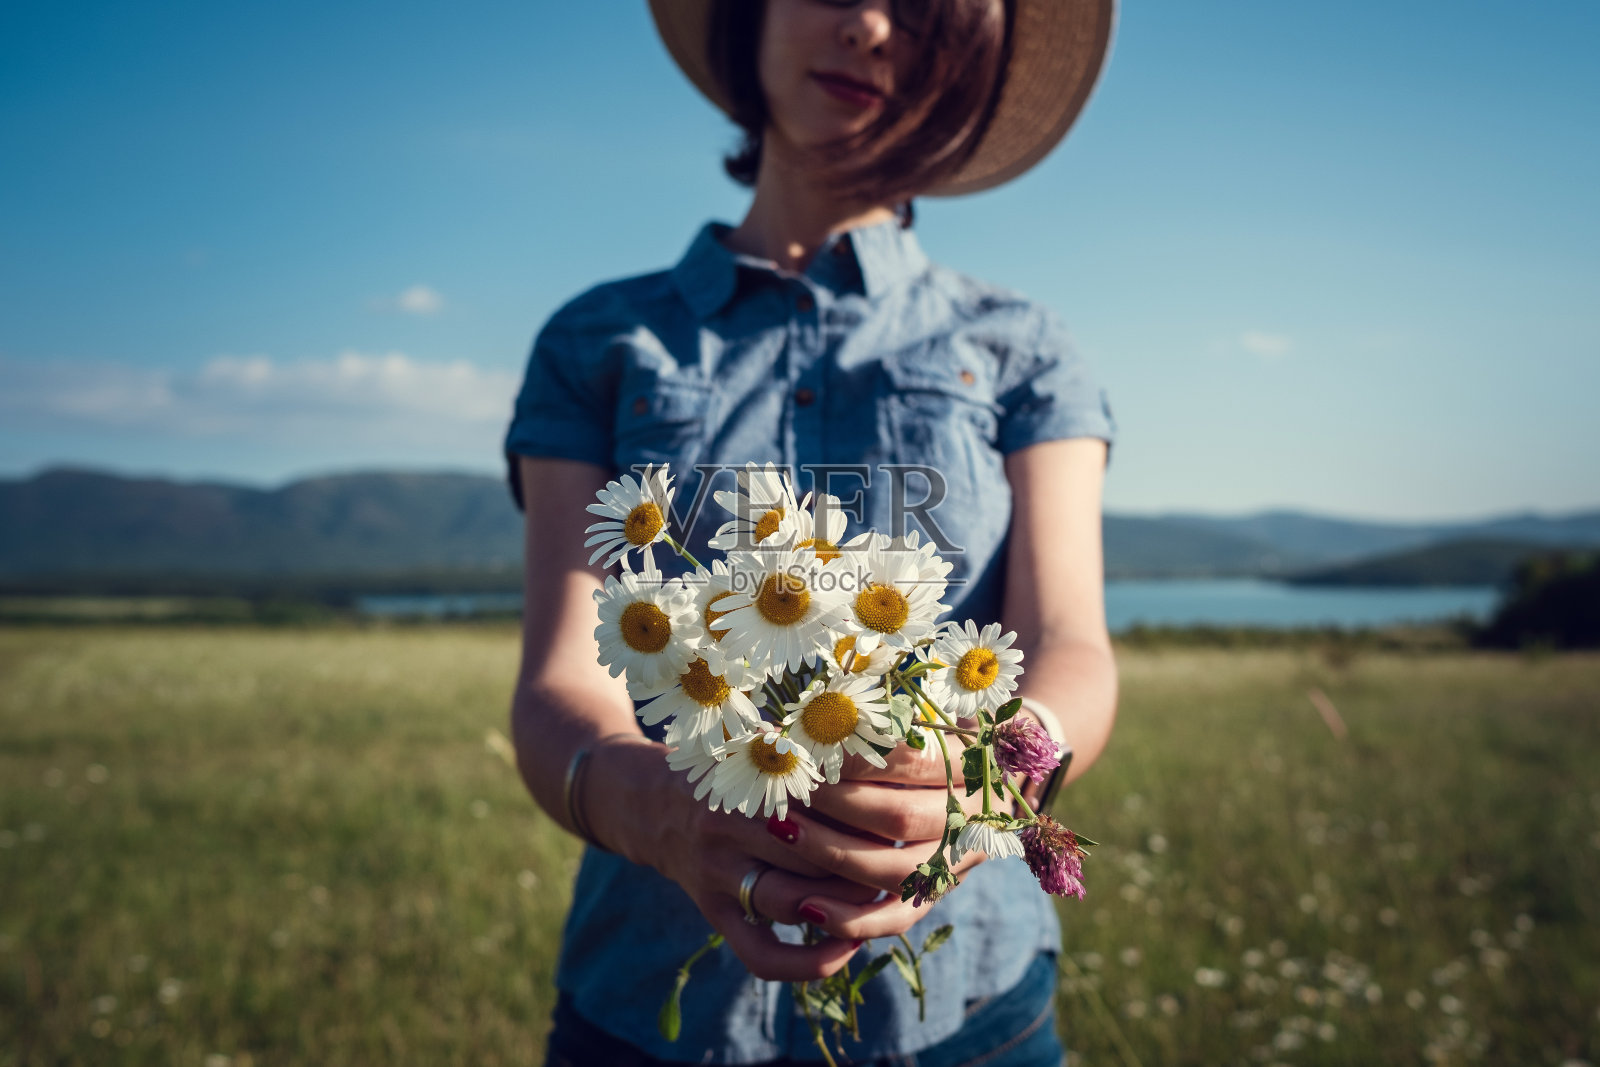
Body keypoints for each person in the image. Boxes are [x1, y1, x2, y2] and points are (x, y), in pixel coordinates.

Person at [504, 1, 1119, 1063]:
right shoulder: (601, 341)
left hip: (968, 1011)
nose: (873, 28)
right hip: (647, 1007)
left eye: (930, 13)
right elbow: (562, 682)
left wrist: (972, 789)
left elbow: (1070, 648)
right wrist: (662, 814)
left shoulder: (1020, 345)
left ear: (968, 72)